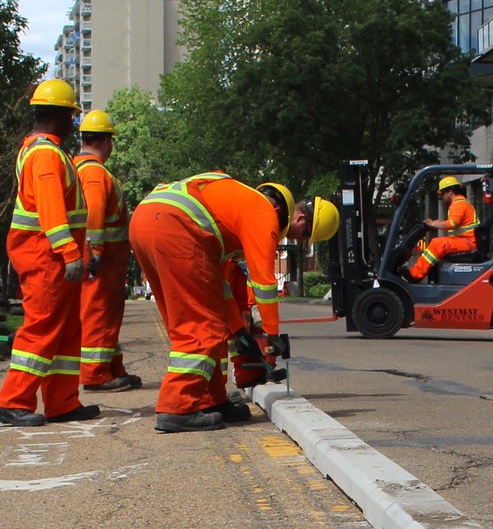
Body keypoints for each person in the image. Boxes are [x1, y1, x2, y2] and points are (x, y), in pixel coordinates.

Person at [127, 174, 338, 431]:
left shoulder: (232, 210)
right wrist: (272, 337)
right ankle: (177, 407)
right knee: (202, 326)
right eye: (305, 235)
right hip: (174, 227)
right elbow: (264, 283)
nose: (300, 242)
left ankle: (209, 399)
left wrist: (238, 330)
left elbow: (219, 285)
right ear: (298, 218)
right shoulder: (263, 213)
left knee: (201, 320)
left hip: (147, 221)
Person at [0, 80, 93, 427]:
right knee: (42, 327)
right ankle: (12, 402)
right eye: (72, 116)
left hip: (48, 254)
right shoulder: (46, 155)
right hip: (45, 256)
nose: (74, 124)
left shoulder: (39, 151)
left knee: (65, 330)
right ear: (61, 116)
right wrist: (69, 253)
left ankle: (62, 402)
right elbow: (52, 210)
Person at [71, 109, 141, 392]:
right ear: (107, 141)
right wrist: (97, 251)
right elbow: (95, 213)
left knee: (106, 315)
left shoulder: (79, 168)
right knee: (99, 313)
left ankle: (112, 367)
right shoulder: (95, 172)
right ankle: (95, 373)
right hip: (103, 258)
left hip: (101, 257)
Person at [405, 174, 478, 281]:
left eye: (443, 193)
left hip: (467, 241)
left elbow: (452, 224)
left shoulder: (458, 204)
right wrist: (433, 222)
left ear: (450, 192)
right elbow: (451, 222)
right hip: (465, 240)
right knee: (437, 244)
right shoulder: (461, 203)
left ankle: (415, 275)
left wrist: (433, 224)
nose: (442, 197)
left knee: (437, 243)